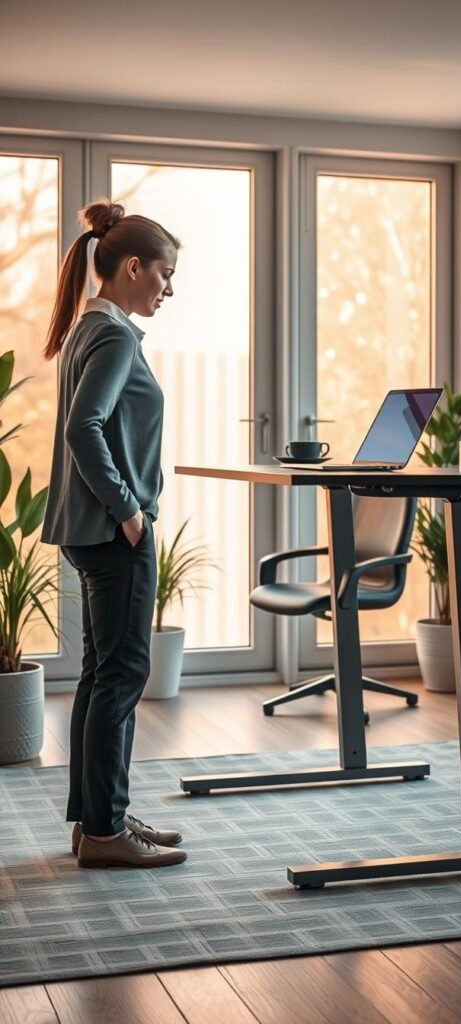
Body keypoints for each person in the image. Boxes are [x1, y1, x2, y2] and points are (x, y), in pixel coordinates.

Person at [41, 198, 187, 869]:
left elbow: (82, 425)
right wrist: (130, 510)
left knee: (103, 675)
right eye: (164, 273)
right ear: (132, 267)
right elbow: (83, 428)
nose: (167, 288)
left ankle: (99, 819)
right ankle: (104, 832)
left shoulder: (90, 328)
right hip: (113, 529)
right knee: (122, 674)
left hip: (88, 528)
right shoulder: (115, 335)